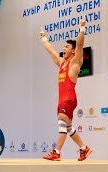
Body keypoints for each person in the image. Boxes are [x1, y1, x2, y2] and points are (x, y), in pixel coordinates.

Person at [40, 20, 92, 161]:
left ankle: (56, 152)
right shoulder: (62, 63)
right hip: (62, 100)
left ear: (73, 51)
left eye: (67, 46)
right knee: (68, 127)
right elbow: (51, 51)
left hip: (68, 99)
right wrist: (43, 38)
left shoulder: (75, 63)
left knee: (61, 123)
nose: (64, 48)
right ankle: (84, 148)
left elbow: (80, 44)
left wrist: (82, 29)